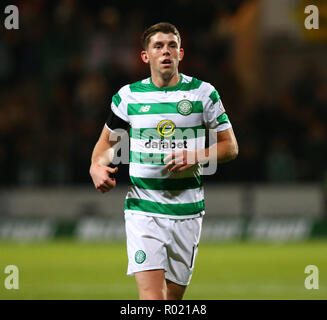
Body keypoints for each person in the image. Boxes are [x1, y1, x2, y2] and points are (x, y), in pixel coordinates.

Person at [89, 22, 238, 300]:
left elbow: (230, 147)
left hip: (187, 212)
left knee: (172, 300)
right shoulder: (128, 97)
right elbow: (105, 146)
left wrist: (197, 156)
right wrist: (96, 166)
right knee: (152, 298)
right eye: (158, 46)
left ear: (181, 53)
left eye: (172, 46)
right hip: (142, 210)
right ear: (145, 56)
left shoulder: (203, 94)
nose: (166, 51)